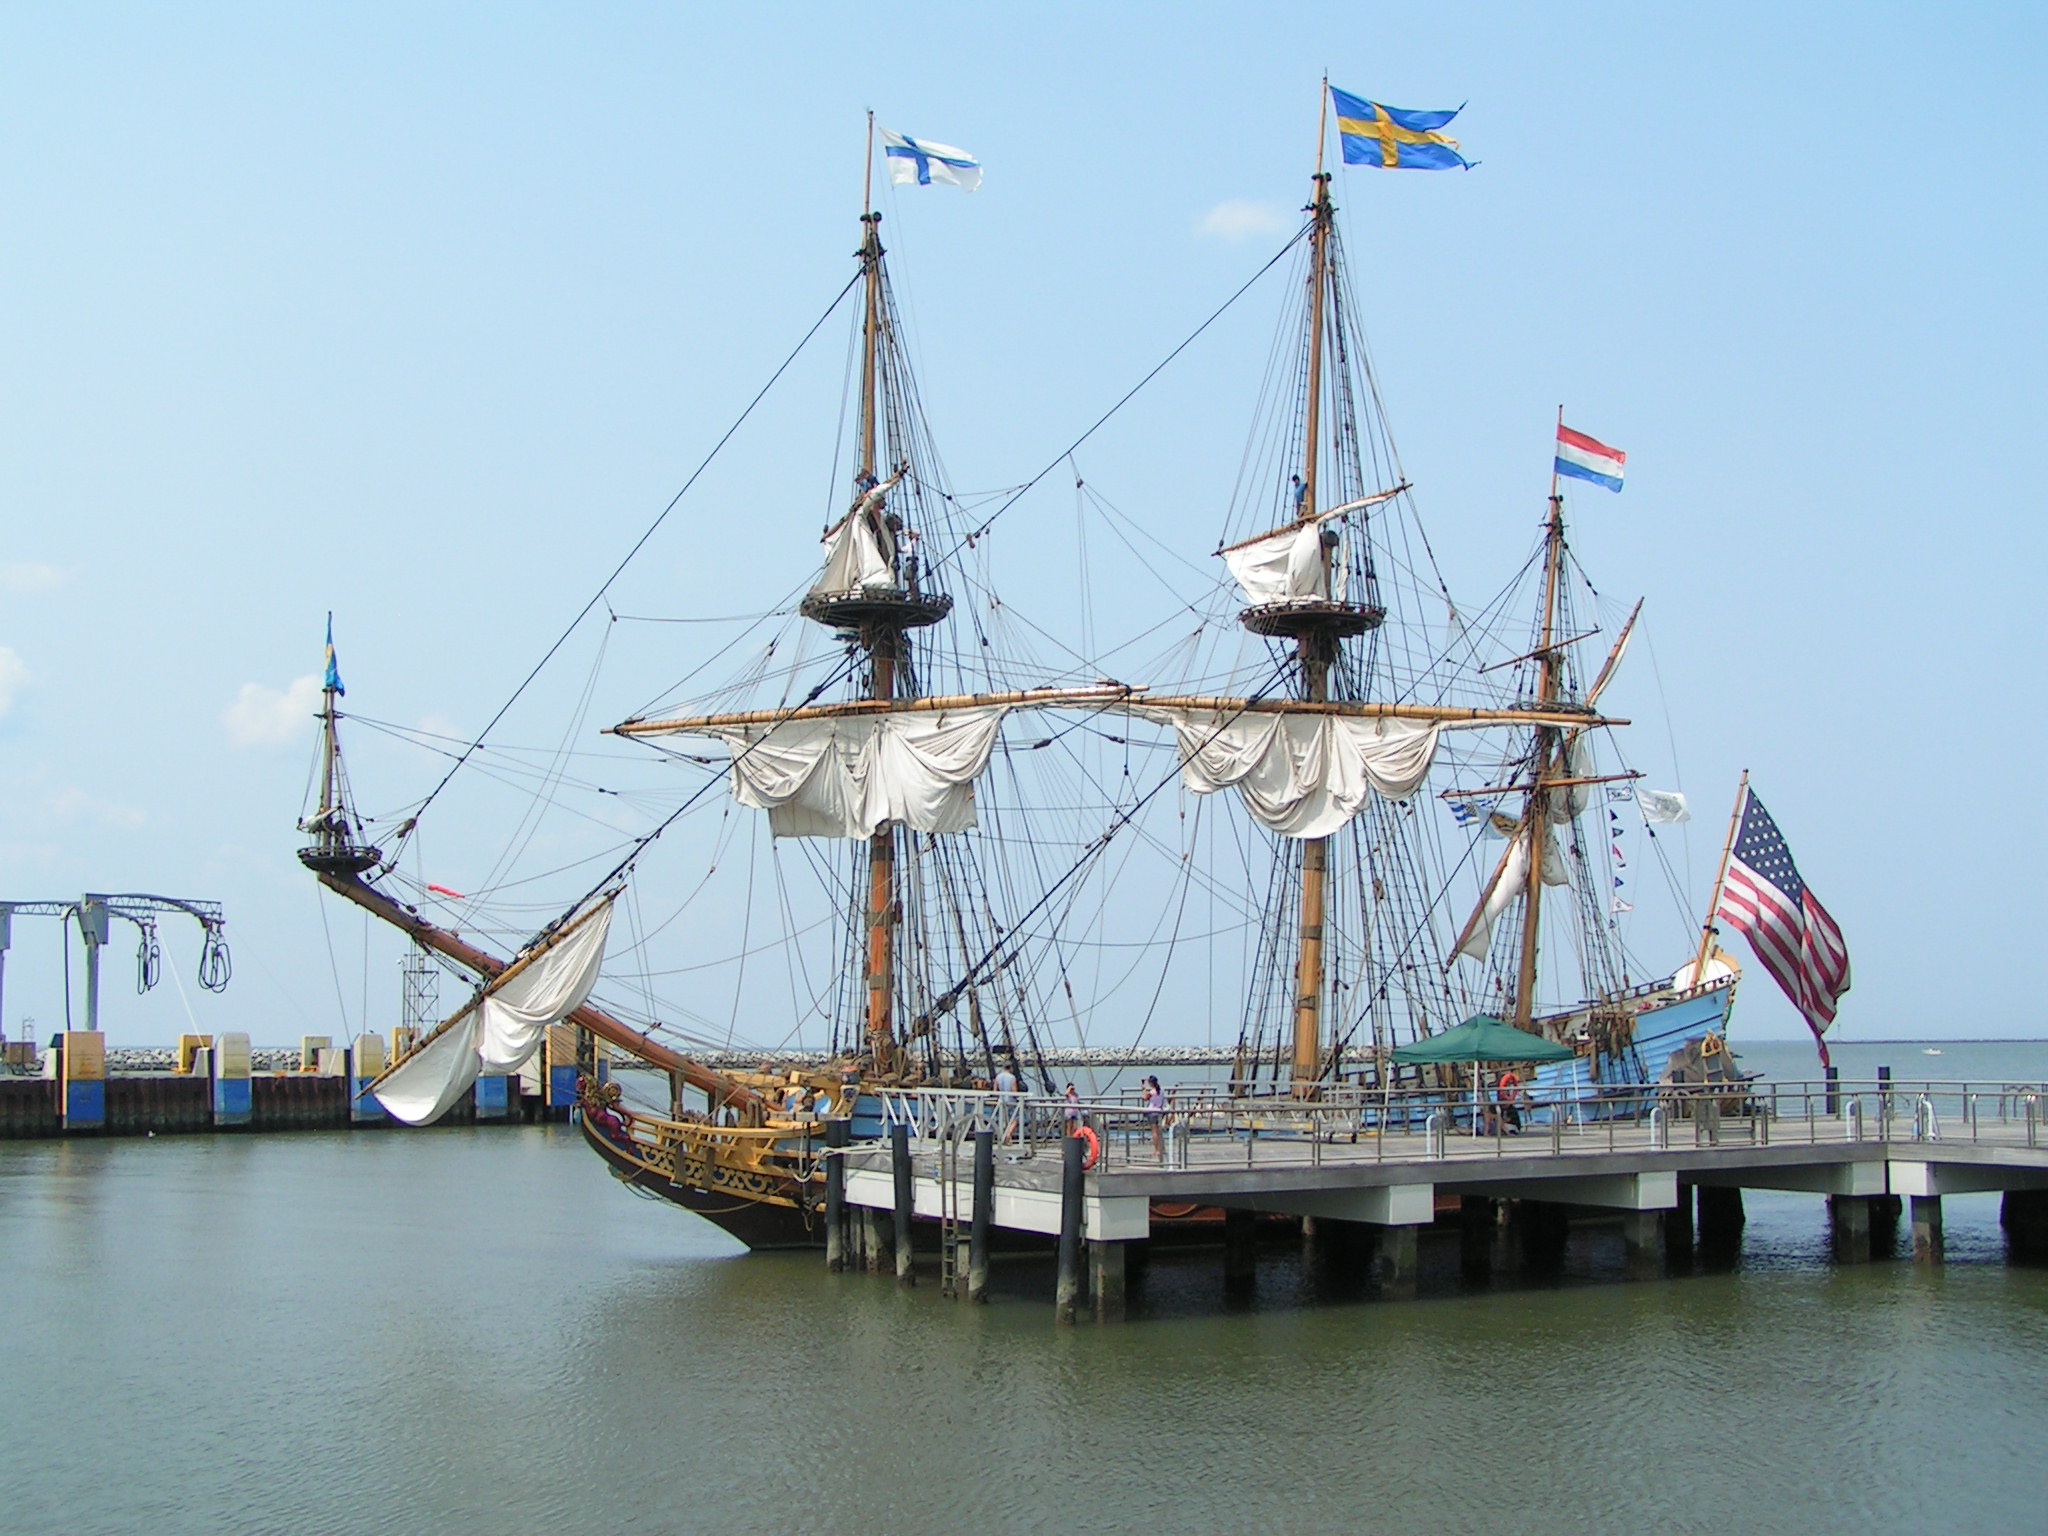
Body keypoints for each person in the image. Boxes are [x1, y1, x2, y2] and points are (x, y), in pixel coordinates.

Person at [993, 1059, 1021, 1143]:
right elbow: (1014, 1090)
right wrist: (1018, 1098)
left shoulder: (998, 1077)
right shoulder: (1012, 1077)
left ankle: (1003, 1135)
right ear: (1011, 1068)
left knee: (1004, 1119)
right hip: (1010, 1101)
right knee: (1016, 1119)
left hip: (1001, 1101)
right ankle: (1008, 1134)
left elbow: (995, 1090)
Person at [1141, 1074, 1168, 1159]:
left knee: (1154, 1132)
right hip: (1159, 1111)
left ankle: (1157, 1149)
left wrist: (1143, 1089)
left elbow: (1145, 1097)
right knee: (1159, 1131)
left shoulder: (1152, 1092)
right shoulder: (1161, 1091)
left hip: (1152, 1112)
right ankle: (1162, 1148)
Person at [1496, 1069, 1525, 1135]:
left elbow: (1508, 1119)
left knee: (1502, 1123)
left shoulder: (1512, 1109)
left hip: (1514, 1126)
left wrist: (1500, 1121)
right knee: (1501, 1123)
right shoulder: (1503, 1109)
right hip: (1508, 1125)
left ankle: (1509, 1133)